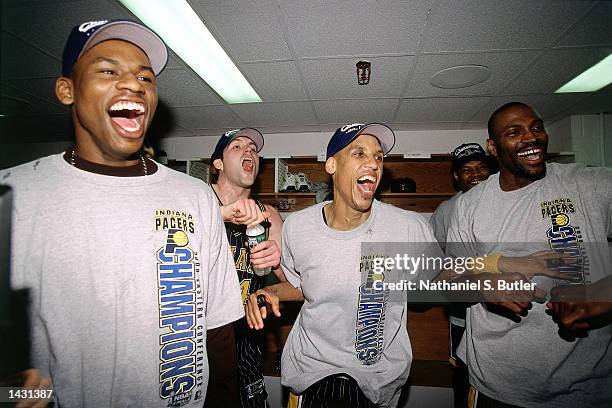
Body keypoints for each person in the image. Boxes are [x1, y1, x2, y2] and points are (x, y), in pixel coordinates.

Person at [0, 20, 244, 407]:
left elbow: (218, 329)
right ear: (68, 90)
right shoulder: (15, 195)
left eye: (145, 78)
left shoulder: (193, 197)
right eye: (108, 71)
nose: (133, 85)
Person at [245, 123, 447, 407]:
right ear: (331, 165)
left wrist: (497, 276)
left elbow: (442, 277)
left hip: (376, 382)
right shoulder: (298, 227)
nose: (373, 163)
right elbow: (303, 286)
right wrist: (272, 293)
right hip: (311, 375)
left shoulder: (408, 228)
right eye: (358, 153)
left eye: (378, 157)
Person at [447, 102, 612, 407]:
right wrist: (481, 285)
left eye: (537, 128)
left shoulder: (590, 184)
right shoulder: (469, 206)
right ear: (493, 147)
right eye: (514, 132)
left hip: (590, 387)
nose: (531, 137)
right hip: (498, 385)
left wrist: (604, 291)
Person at [209, 128, 284, 407]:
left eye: (252, 147)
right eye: (237, 146)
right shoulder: (198, 201)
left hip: (246, 334)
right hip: (199, 335)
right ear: (218, 163)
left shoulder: (269, 216)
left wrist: (277, 259)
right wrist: (221, 214)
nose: (249, 150)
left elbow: (296, 282)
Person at [429, 142, 492, 408]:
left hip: (507, 314)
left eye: (480, 168)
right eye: (467, 170)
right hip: (463, 315)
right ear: (457, 176)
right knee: (464, 377)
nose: (475, 174)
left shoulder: (509, 200)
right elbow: (433, 257)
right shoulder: (447, 210)